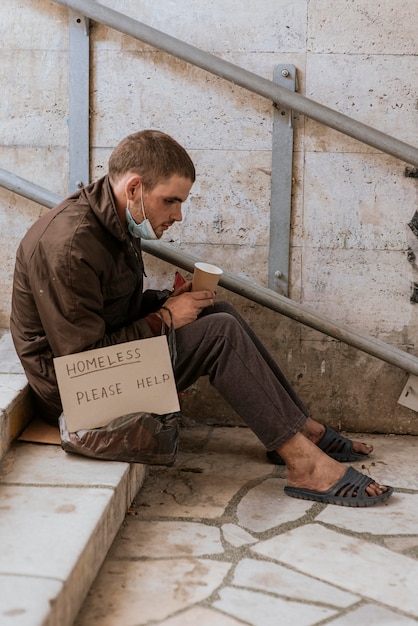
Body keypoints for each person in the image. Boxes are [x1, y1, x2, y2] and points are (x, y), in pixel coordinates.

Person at [10, 129, 393, 507]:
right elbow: (84, 361)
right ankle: (305, 465)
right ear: (134, 188)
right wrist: (163, 319)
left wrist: (169, 302)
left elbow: (108, 311)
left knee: (216, 312)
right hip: (73, 394)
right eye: (171, 201)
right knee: (219, 335)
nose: (178, 215)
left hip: (98, 371)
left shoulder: (114, 220)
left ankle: (301, 428)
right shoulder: (70, 244)